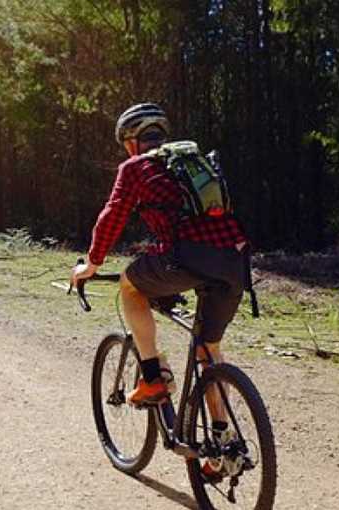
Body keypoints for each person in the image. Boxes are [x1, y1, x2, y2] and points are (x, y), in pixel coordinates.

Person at [71, 104, 249, 455]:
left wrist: (90, 265)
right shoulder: (192, 162)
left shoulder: (137, 166)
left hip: (186, 260)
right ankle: (222, 443)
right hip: (235, 261)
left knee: (129, 283)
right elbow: (198, 219)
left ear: (131, 142)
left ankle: (152, 377)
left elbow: (112, 215)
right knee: (208, 351)